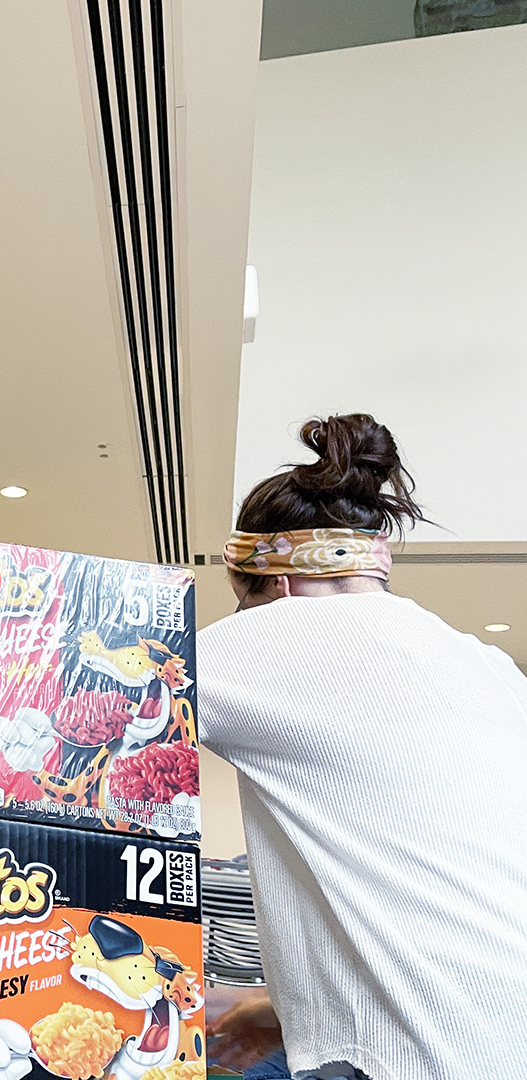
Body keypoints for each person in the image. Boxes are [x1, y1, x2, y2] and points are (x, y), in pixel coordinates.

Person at [199, 413, 527, 1080]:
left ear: (277, 581)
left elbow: (67, 688)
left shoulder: (275, 634)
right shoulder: (492, 666)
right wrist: (287, 1007)